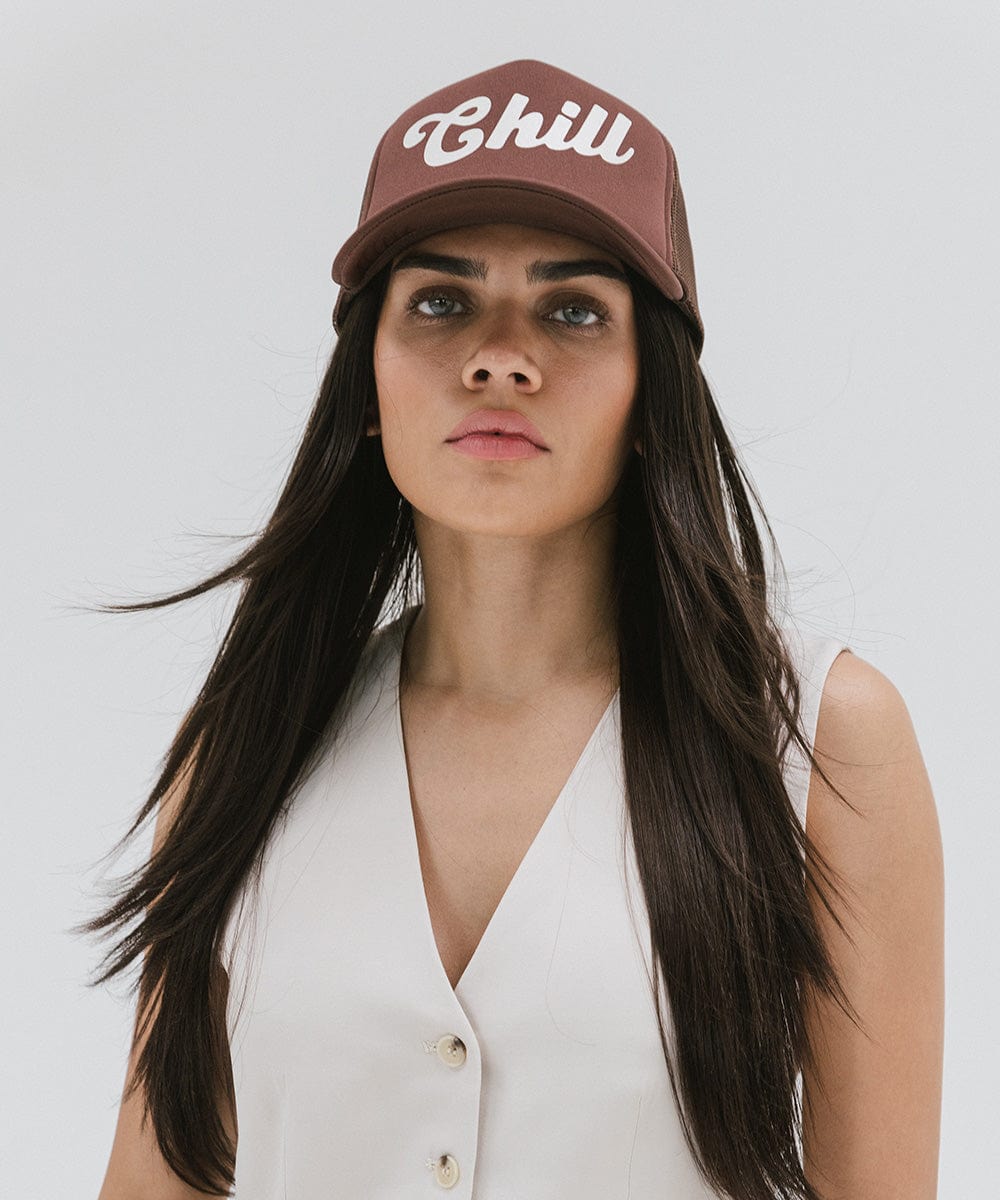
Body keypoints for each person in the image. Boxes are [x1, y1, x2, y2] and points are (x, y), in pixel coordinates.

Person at [85, 59, 944, 1200]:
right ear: (369, 377)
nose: (499, 355)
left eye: (573, 309)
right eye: (439, 301)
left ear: (653, 392)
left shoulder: (817, 744)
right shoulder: (245, 749)